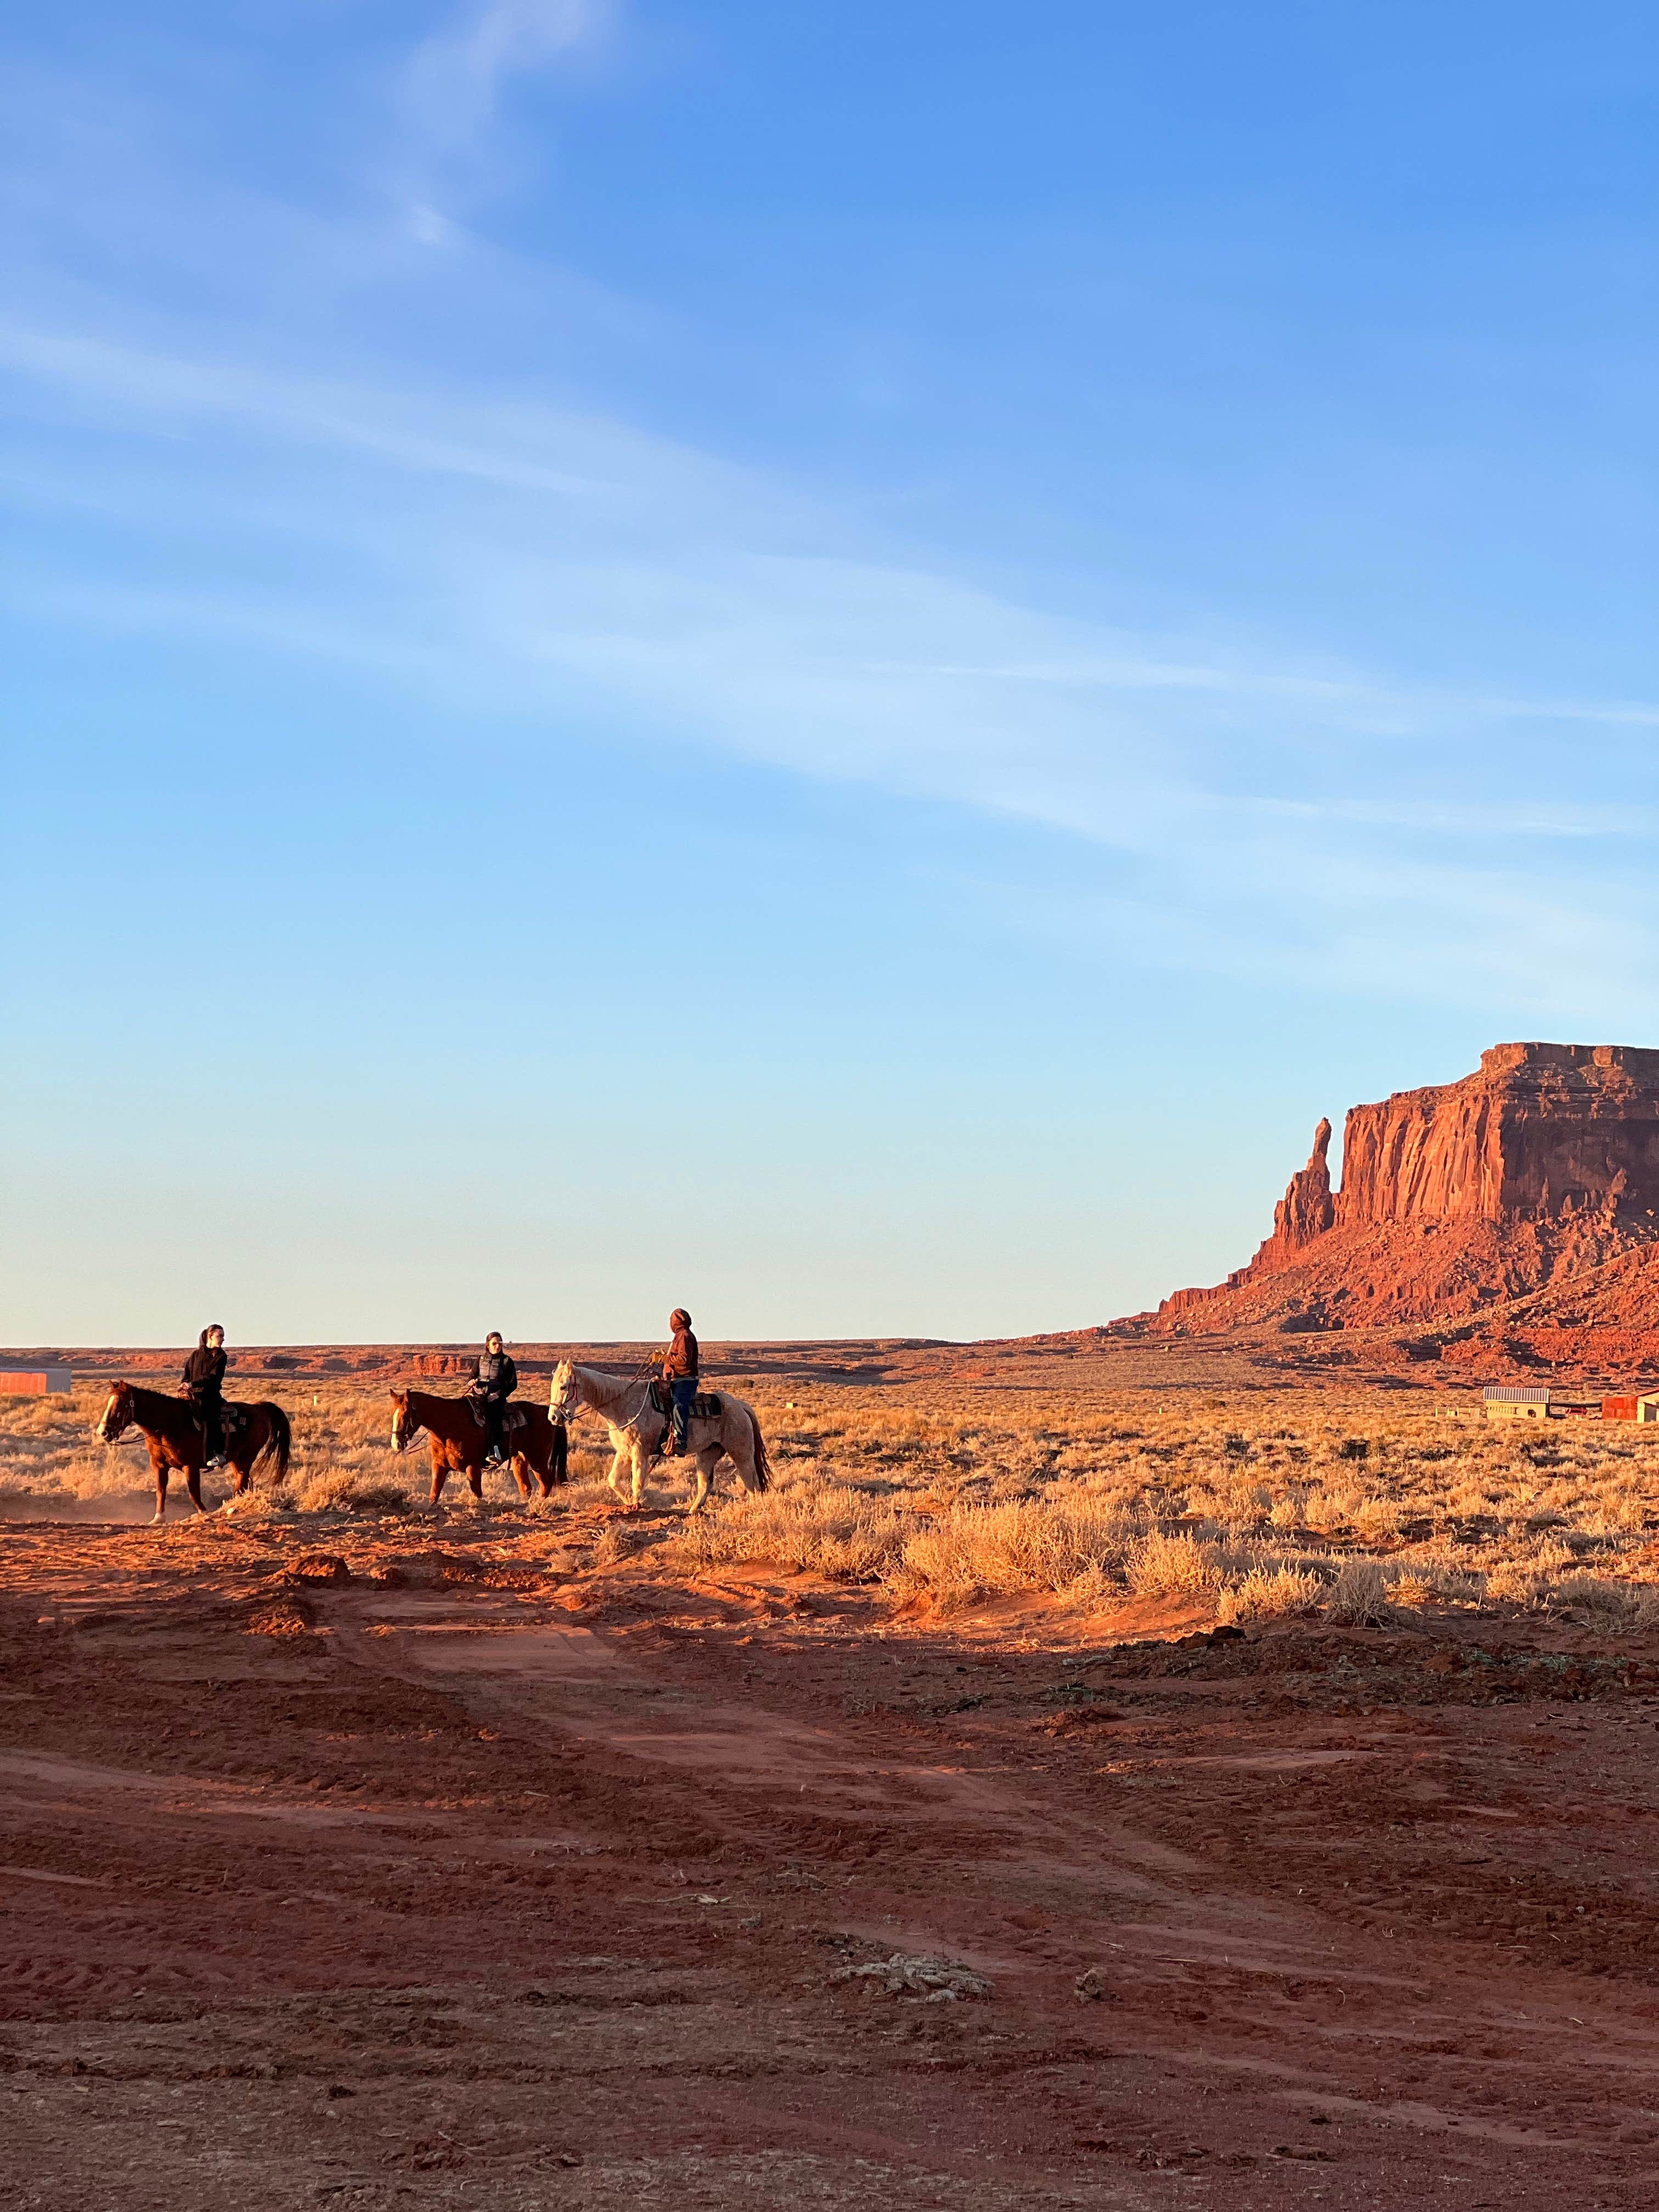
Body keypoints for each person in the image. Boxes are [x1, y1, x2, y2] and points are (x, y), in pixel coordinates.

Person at [181, 1323, 229, 1468]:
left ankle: (216, 1453)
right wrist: (184, 1383)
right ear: (210, 1336)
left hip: (211, 1396)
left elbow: (214, 1377)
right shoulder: (195, 1355)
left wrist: (193, 1384)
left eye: (223, 1336)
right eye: (219, 1336)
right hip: (192, 1395)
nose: (222, 1339)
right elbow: (187, 1372)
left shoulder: (221, 1356)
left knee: (210, 1417)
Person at [468, 1333, 518, 1464]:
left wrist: (498, 1395)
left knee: (493, 1418)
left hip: (497, 1398)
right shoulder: (480, 1359)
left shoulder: (507, 1361)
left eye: (500, 1344)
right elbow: (471, 1377)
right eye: (495, 1343)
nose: (498, 1346)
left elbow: (513, 1384)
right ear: (488, 1345)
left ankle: (495, 1451)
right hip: (478, 1395)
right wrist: (472, 1382)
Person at [659, 1307, 698, 1458]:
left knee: (679, 1406)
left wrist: (666, 1359)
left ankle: (681, 1442)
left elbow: (684, 1359)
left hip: (685, 1380)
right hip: (676, 1380)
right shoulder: (679, 1336)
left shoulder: (684, 1336)